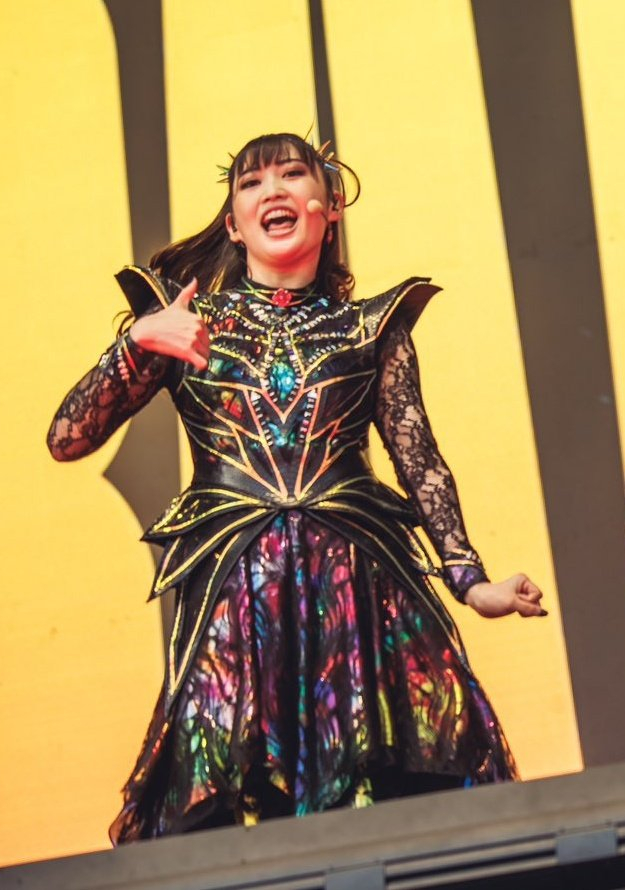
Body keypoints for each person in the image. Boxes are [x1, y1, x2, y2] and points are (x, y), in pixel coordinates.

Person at [47, 132, 545, 843]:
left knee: (388, 812)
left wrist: (471, 581)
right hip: (237, 600)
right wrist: (135, 345)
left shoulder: (370, 327)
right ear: (233, 224)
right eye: (251, 183)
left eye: (290, 175)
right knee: (235, 810)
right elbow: (67, 439)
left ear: (328, 206)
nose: (272, 190)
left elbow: (420, 460)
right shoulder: (186, 322)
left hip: (360, 597)